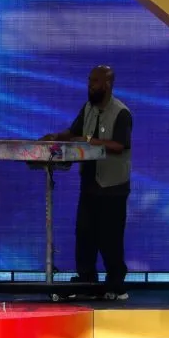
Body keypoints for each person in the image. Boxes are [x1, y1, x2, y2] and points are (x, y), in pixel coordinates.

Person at [42, 65, 132, 300]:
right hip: (90, 185)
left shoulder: (121, 113)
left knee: (110, 239)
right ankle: (87, 280)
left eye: (94, 82)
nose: (90, 86)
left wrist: (90, 141)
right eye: (89, 81)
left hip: (113, 188)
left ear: (108, 84)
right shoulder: (88, 109)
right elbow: (74, 133)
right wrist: (54, 138)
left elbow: (119, 145)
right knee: (85, 235)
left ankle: (116, 285)